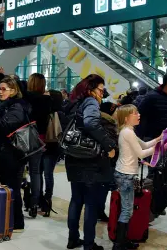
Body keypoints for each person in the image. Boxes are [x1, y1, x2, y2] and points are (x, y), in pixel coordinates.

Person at [65, 74, 117, 250]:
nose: (102, 94)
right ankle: (89, 244)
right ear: (90, 89)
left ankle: (73, 239)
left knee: (76, 200)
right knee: (91, 203)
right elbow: (91, 123)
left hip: (73, 155)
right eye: (100, 90)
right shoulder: (90, 102)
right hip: (90, 158)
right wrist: (109, 144)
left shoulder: (74, 102)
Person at [0, 77, 31, 232]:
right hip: (5, 152)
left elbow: (3, 126)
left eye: (4, 89)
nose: (0, 91)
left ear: (13, 90)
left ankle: (17, 222)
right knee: (8, 186)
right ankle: (10, 219)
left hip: (13, 154)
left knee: (13, 187)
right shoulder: (4, 105)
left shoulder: (17, 107)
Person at [112, 104, 160, 250]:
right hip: (126, 175)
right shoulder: (128, 132)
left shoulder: (128, 131)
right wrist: (160, 147)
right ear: (126, 118)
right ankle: (119, 244)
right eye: (135, 113)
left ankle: (122, 241)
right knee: (127, 210)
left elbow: (144, 145)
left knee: (127, 209)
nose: (138, 115)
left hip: (124, 173)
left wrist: (159, 139)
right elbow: (141, 153)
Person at [137, 72, 167, 179]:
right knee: (154, 171)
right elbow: (140, 115)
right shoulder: (151, 97)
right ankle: (153, 193)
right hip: (154, 139)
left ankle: (163, 193)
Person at [23, 73, 51, 218]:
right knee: (35, 172)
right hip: (40, 138)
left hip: (23, 137)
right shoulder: (47, 100)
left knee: (20, 171)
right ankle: (34, 204)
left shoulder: (26, 97)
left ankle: (21, 199)